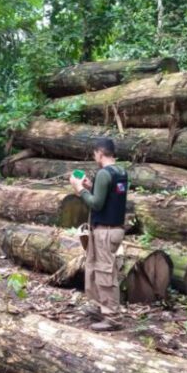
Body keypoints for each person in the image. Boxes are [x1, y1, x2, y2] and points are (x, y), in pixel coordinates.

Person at [69, 138, 128, 331]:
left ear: (99, 153)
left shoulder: (104, 173)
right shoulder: (120, 172)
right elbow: (108, 196)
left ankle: (112, 318)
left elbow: (96, 204)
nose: (95, 157)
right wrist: (90, 185)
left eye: (95, 154)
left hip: (106, 231)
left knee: (105, 272)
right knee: (95, 268)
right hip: (112, 230)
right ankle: (101, 307)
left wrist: (79, 190)